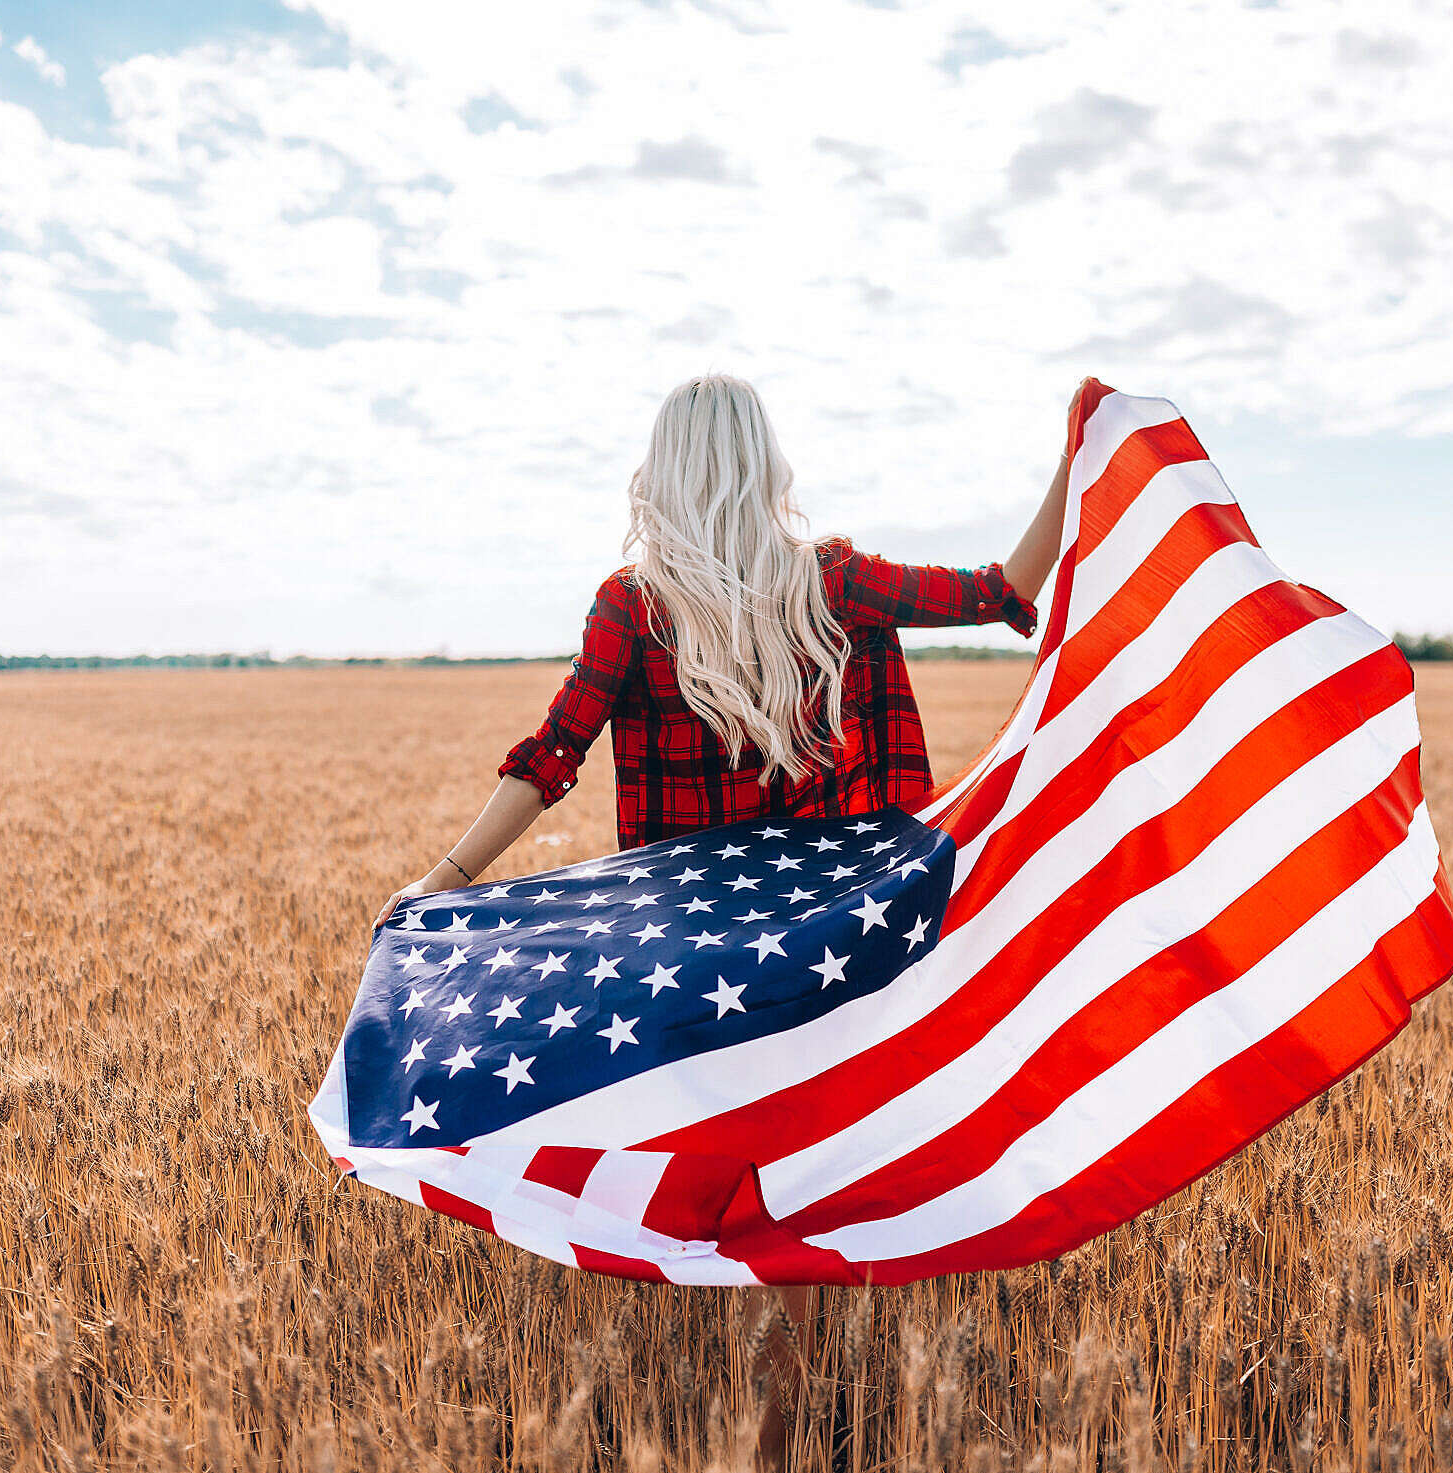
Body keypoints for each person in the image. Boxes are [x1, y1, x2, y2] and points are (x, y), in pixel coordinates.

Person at [374, 372, 1075, 1466]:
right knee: (805, 1147)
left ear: (663, 472)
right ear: (762, 465)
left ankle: (737, 1392)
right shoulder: (830, 581)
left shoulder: (633, 603)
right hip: (840, 930)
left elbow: (552, 752)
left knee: (713, 1139)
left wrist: (447, 878)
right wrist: (1076, 456)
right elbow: (1003, 587)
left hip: (693, 950)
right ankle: (789, 1415)